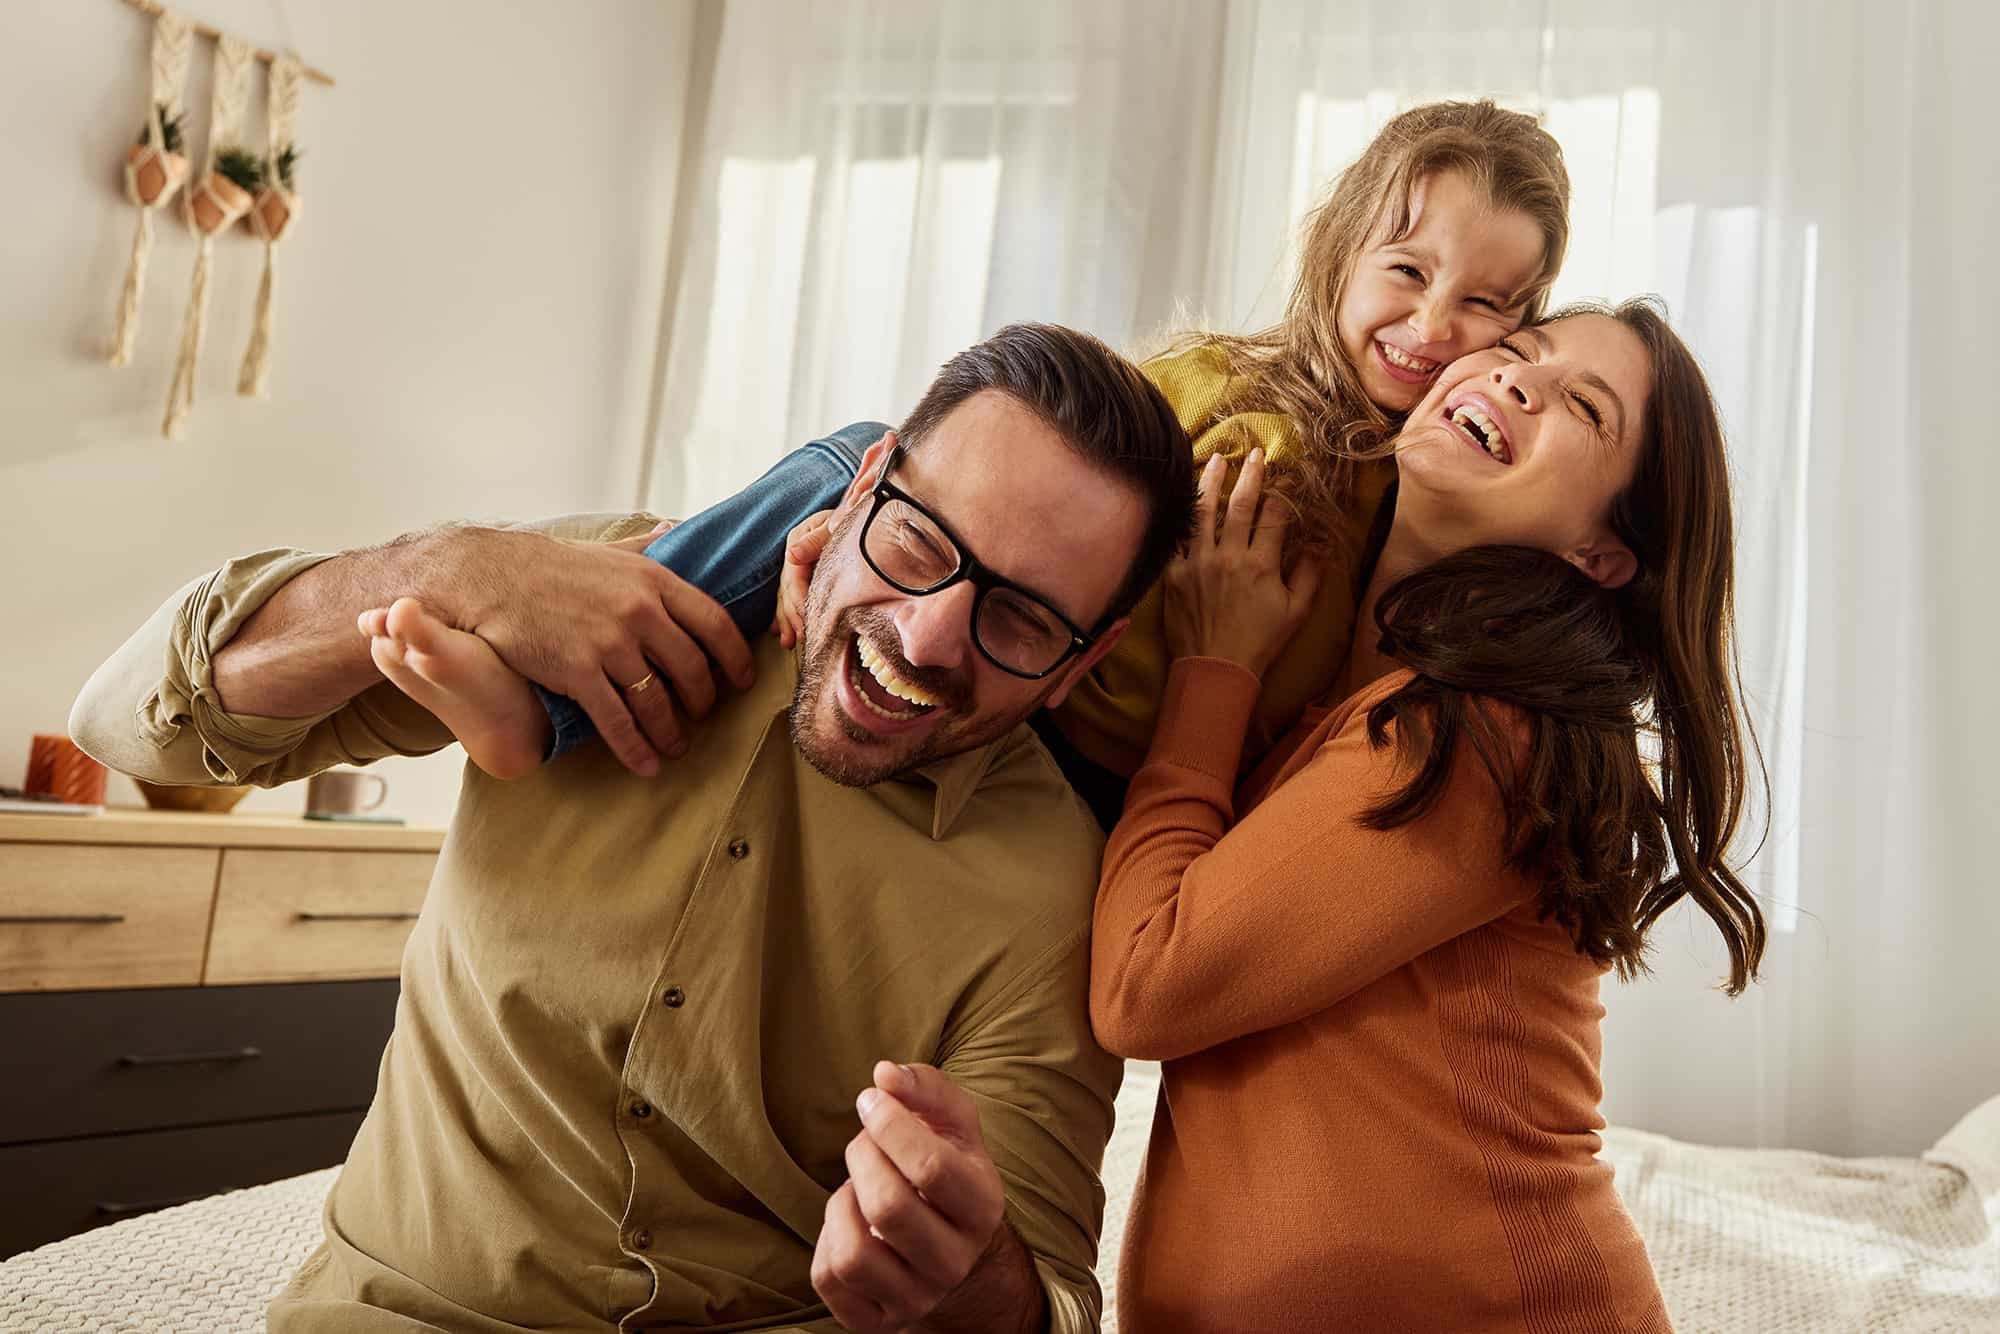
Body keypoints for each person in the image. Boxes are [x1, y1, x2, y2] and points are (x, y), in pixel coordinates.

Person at [68, 324, 1196, 1334]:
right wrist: (443, 569)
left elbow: (1046, 1297)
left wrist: (965, 1284)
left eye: (1021, 615)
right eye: (917, 540)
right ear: (857, 491)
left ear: (1081, 664)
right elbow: (128, 723)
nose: (929, 632)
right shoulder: (591, 591)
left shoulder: (1050, 893)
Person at [396, 100, 1569, 822]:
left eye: (1482, 303)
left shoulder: (1427, 497)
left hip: (1120, 784)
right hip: (1031, 687)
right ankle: (547, 707)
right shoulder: (1222, 384)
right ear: (1339, 253)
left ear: (1523, 323)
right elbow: (1011, 466)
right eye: (1406, 273)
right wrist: (871, 526)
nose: (1430, 327)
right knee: (864, 453)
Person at [1090, 302, 1767, 1331]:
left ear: (1599, 554)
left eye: (1579, 404)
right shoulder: (1338, 703)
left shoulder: (1485, 730)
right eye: (1517, 351)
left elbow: (1145, 983)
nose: (1517, 381)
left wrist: (1210, 665)